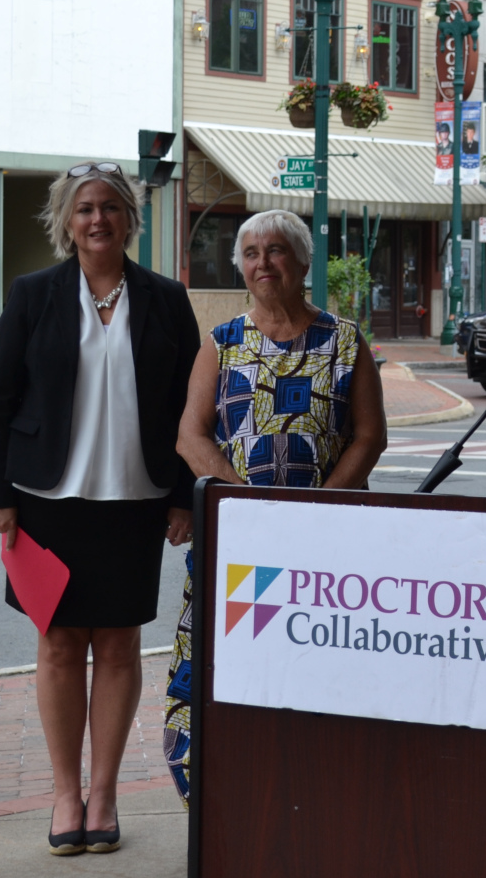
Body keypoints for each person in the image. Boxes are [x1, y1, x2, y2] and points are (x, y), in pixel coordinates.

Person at [0, 163, 201, 856]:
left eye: (110, 207)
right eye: (84, 209)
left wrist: (183, 495)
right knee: (56, 645)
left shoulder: (166, 300)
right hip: (46, 501)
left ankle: (103, 795)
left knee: (118, 645)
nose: (97, 219)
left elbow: (191, 408)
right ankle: (64, 793)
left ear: (130, 217)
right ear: (65, 221)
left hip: (135, 501)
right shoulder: (33, 295)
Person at [165, 209, 388, 804]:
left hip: (330, 541)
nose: (264, 263)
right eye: (252, 253)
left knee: (323, 662)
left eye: (278, 250)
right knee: (234, 662)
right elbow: (191, 436)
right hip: (242, 542)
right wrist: (247, 505)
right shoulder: (222, 342)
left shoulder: (344, 340)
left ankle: (322, 788)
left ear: (303, 262)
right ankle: (228, 794)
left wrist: (317, 508)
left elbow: (370, 435)